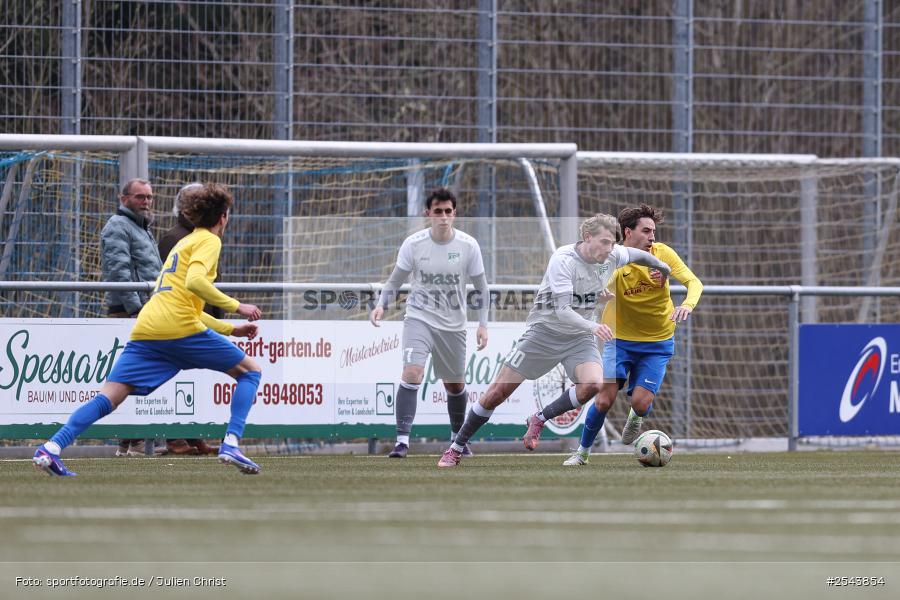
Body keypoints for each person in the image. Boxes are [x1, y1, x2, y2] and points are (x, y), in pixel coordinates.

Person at [33, 183, 265, 476]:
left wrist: (230, 329)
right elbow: (195, 283)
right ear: (223, 216)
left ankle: (51, 448)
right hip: (178, 328)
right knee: (250, 372)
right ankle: (231, 442)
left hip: (149, 327)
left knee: (111, 394)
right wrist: (237, 305)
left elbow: (186, 303)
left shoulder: (184, 242)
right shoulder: (209, 241)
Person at [437, 214, 672, 468]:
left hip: (578, 338)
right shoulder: (563, 260)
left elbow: (642, 256)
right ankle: (456, 447)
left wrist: (663, 268)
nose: (609, 249)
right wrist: (594, 325)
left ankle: (539, 418)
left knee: (593, 384)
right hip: (544, 333)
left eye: (612, 243)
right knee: (497, 393)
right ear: (587, 237)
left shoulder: (613, 255)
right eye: (604, 242)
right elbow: (562, 311)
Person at [563, 204, 703, 465]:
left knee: (640, 403)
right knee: (603, 400)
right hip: (619, 341)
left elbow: (694, 283)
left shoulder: (663, 254)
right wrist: (599, 293)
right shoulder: (613, 259)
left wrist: (686, 305)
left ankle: (636, 418)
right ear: (628, 232)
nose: (652, 237)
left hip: (657, 341)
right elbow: (590, 286)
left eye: (654, 231)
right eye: (646, 231)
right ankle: (582, 453)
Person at [370, 188, 489, 458]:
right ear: (428, 214)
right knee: (412, 374)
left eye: (448, 211)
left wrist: (483, 324)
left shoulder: (469, 246)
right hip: (419, 318)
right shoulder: (413, 244)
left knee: (454, 385)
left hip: (454, 325)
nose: (443, 217)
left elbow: (482, 289)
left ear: (455, 214)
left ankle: (457, 441)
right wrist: (381, 305)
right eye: (438, 212)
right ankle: (401, 442)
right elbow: (395, 281)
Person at [155, 182, 220, 457]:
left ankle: (194, 436)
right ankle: (174, 437)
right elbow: (186, 282)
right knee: (173, 378)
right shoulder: (176, 238)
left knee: (195, 380)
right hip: (180, 319)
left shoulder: (200, 236)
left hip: (197, 316)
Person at [101, 178, 162, 457]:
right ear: (124, 198)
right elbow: (119, 271)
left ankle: (128, 441)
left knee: (135, 373)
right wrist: (137, 309)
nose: (146, 202)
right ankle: (133, 436)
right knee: (130, 374)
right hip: (130, 311)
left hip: (146, 308)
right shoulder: (118, 226)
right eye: (140, 197)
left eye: (149, 197)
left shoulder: (141, 227)